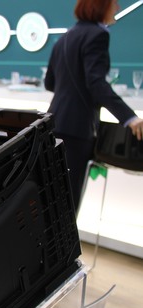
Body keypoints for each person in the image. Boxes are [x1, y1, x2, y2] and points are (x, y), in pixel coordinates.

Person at [45, 0, 143, 211]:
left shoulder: (65, 36)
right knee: (70, 199)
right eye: (114, 3)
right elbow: (96, 83)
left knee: (54, 197)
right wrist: (129, 117)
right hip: (78, 128)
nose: (117, 8)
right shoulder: (98, 34)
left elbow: (49, 83)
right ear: (101, 5)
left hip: (54, 124)